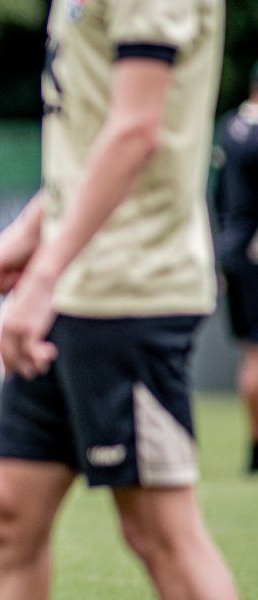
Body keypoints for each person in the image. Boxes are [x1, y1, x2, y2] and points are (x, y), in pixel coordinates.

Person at [0, 0, 239, 597]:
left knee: (159, 532)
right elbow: (94, 126)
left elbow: (139, 130)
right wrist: (32, 231)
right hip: (77, 278)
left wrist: (43, 277)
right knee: (8, 516)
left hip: (130, 283)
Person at [213, 60, 258, 475]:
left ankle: (254, 446)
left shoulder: (229, 129)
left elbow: (218, 198)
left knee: (251, 354)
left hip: (233, 249)